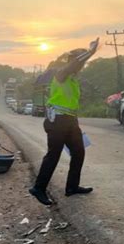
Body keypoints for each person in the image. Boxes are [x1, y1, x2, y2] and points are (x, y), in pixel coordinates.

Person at [29, 38, 99, 205]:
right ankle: (38, 188)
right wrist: (89, 53)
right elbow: (73, 65)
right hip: (57, 121)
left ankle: (72, 187)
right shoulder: (61, 75)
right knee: (53, 155)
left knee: (79, 152)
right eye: (79, 62)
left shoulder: (73, 79)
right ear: (72, 61)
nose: (81, 66)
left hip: (70, 121)